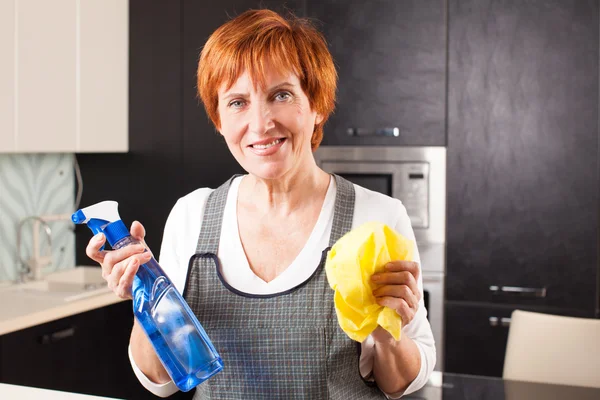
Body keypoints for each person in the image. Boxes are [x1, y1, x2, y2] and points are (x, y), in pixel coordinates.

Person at [86, 8, 435, 399]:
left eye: (281, 95)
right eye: (237, 102)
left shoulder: (377, 218)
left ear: (316, 104)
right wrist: (145, 295)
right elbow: (160, 380)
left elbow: (403, 384)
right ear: (218, 119)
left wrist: (389, 335)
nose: (260, 123)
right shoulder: (192, 216)